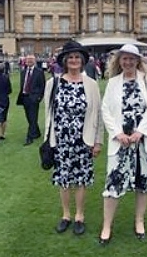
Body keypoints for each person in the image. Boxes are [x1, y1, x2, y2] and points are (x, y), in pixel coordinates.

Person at [99, 44, 147, 244]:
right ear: (119, 61)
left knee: (142, 184)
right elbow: (106, 110)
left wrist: (140, 132)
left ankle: (139, 221)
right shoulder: (113, 82)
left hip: (143, 143)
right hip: (120, 143)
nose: (127, 62)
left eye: (131, 59)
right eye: (124, 59)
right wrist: (118, 133)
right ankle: (107, 225)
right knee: (113, 185)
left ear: (138, 60)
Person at [43, 40, 103, 236]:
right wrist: (48, 140)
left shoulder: (92, 84)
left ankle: (79, 215)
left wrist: (98, 141)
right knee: (63, 179)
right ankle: (66, 215)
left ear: (83, 60)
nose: (74, 61)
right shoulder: (53, 83)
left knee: (81, 180)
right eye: (71, 58)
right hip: (61, 140)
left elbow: (98, 115)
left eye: (78, 57)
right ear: (65, 61)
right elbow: (48, 115)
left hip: (83, 140)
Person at [17, 54, 45, 145]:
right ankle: (37, 133)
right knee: (29, 118)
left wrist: (39, 97)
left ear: (34, 61)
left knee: (33, 118)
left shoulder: (39, 72)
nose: (29, 61)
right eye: (27, 60)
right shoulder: (23, 72)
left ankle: (29, 138)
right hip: (25, 97)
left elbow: (42, 86)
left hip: (34, 98)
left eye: (31, 60)